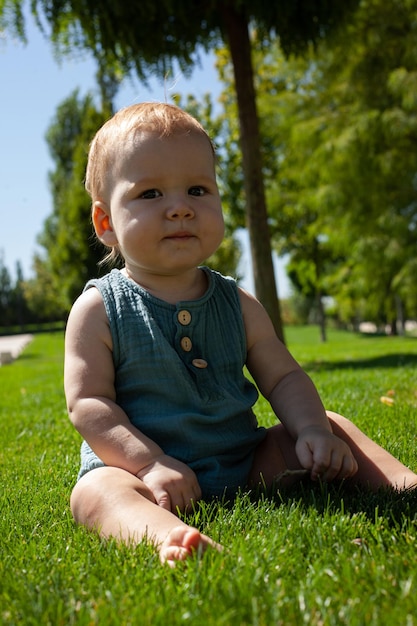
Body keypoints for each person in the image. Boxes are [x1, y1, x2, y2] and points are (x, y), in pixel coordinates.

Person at [64, 102, 417, 567]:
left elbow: (284, 378)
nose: (179, 209)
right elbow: (89, 405)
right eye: (150, 194)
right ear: (106, 222)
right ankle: (169, 537)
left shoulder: (236, 302)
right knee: (95, 493)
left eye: (197, 189)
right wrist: (149, 463)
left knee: (330, 424)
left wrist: (310, 430)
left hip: (246, 465)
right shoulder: (98, 309)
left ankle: (403, 486)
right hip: (144, 476)